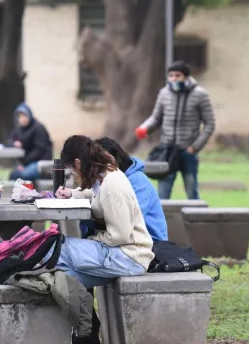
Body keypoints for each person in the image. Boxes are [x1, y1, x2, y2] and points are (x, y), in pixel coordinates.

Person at [54, 136, 154, 289]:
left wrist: (92, 240)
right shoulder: (105, 174)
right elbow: (95, 193)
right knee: (64, 275)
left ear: (78, 163)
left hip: (129, 256)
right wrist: (72, 193)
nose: (73, 174)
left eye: (71, 169)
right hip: (122, 252)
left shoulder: (111, 186)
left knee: (53, 247)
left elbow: (119, 235)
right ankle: (84, 313)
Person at [135, 61, 216, 200]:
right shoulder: (164, 93)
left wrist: (195, 147)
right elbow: (156, 117)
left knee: (192, 191)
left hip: (188, 151)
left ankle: (196, 219)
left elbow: (210, 123)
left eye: (177, 76)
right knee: (163, 193)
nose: (173, 79)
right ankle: (162, 221)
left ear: (186, 77)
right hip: (168, 150)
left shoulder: (200, 94)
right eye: (171, 76)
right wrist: (145, 128)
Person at [95, 137, 168, 242]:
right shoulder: (109, 178)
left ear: (116, 158)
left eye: (106, 161)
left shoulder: (138, 181)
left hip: (151, 242)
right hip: (129, 237)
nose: (103, 166)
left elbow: (128, 219)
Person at [8, 103, 53, 181]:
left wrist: (25, 164)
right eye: (20, 116)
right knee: (13, 174)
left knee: (20, 175)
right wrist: (14, 143)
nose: (22, 119)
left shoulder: (38, 128)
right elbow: (10, 140)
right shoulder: (20, 129)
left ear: (29, 115)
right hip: (27, 163)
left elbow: (39, 150)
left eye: (24, 116)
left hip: (41, 163)